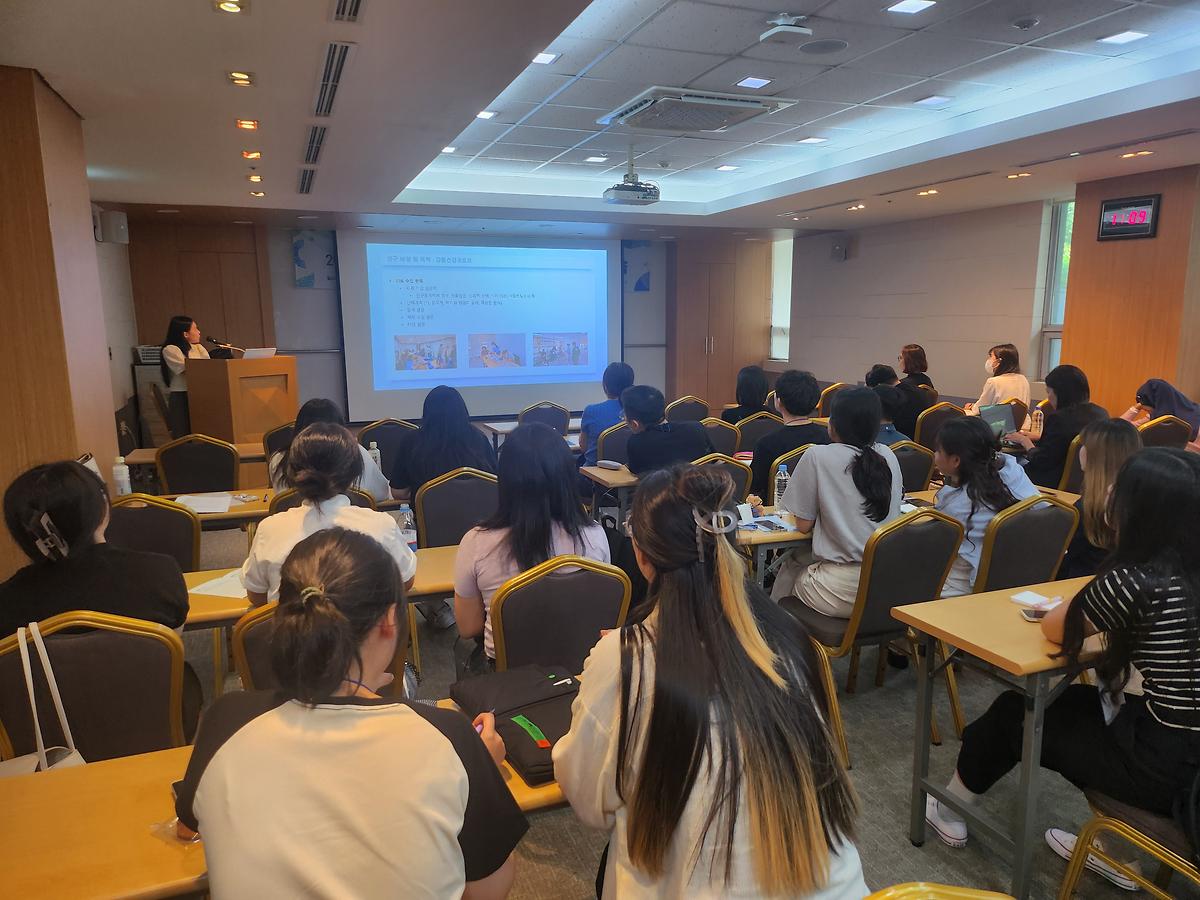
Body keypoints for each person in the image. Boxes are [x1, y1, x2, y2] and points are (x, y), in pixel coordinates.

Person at [553, 465, 866, 899]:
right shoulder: (792, 641)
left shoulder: (624, 660)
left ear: (641, 555)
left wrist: (612, 663)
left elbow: (591, 804)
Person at [177, 527, 527, 899]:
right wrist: (483, 769)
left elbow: (189, 826)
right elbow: (488, 891)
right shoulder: (450, 736)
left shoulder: (225, 721)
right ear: (390, 620)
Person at [926, 449, 1200, 892]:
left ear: (1141, 510)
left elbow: (1057, 628)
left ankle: (947, 806)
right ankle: (1116, 850)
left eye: (1119, 488)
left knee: (1016, 712)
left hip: (1163, 767)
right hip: (1183, 753)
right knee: (1076, 703)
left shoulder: (1136, 580)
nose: (1108, 492)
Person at [454, 423, 610, 676]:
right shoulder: (595, 535)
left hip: (508, 677)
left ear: (505, 480)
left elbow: (468, 627)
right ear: (567, 477)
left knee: (461, 648)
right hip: (582, 671)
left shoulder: (476, 542)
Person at [0, 461, 188, 639]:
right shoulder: (160, 574)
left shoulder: (7, 602)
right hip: (143, 665)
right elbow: (172, 647)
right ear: (101, 509)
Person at [242, 423, 417, 605]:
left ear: (292, 472)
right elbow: (405, 582)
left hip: (292, 624)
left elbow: (257, 596)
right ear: (355, 473)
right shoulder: (381, 525)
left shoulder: (269, 529)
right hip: (363, 623)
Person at [776, 387, 904, 615]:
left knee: (789, 571)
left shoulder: (817, 456)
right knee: (799, 560)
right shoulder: (888, 454)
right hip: (886, 583)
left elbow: (803, 525)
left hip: (840, 588)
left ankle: (773, 629)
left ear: (833, 424)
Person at [933, 418, 1039, 597]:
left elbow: (935, 551)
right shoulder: (1014, 473)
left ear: (956, 460)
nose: (934, 455)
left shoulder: (958, 506)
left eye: (938, 451)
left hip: (958, 588)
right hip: (1013, 581)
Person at [1059, 418, 1141, 580]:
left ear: (1095, 456)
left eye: (1084, 445)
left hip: (1079, 584)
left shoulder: (1086, 509)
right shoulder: (1141, 501)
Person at [268, 398, 392, 502]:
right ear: (340, 428)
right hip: (351, 521)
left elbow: (282, 501)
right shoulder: (358, 453)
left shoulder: (279, 459)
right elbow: (381, 493)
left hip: (295, 523)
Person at [1007, 365, 1108, 488]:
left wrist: (1025, 441)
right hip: (1082, 483)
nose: (1048, 398)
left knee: (1007, 464)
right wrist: (1038, 438)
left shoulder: (1059, 419)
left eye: (1048, 392)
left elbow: (1042, 461)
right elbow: (1063, 444)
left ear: (1060, 393)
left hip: (1049, 481)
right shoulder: (1101, 414)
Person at [390, 385, 497, 498]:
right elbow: (494, 483)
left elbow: (398, 492)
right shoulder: (478, 438)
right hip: (477, 508)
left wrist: (423, 495)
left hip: (430, 509)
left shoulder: (411, 441)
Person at [749, 369, 830, 498]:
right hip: (821, 505)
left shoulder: (766, 444)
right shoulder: (828, 437)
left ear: (778, 401)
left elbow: (756, 489)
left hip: (777, 507)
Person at [623, 385, 713, 476]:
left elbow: (636, 477)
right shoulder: (696, 428)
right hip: (699, 484)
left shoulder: (636, 443)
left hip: (658, 485)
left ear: (635, 424)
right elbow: (716, 461)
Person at [159, 315, 210, 439]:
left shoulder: (199, 347)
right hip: (181, 396)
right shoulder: (170, 349)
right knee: (183, 433)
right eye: (195, 329)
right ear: (185, 334)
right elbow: (186, 369)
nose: (199, 332)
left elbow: (209, 367)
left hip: (200, 394)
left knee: (203, 431)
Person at [579, 362, 635, 467]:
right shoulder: (640, 412)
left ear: (605, 385)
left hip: (595, 473)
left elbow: (584, 447)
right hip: (631, 471)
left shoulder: (591, 411)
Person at [1121, 378, 1200, 444]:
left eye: (1148, 410)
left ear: (1158, 404)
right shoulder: (1157, 418)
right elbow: (1121, 427)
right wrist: (1136, 408)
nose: (1148, 413)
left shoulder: (1163, 420)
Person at [965, 344, 1030, 420]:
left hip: (999, 423)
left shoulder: (993, 382)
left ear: (998, 361)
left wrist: (970, 408)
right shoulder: (1023, 379)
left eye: (990, 356)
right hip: (1022, 423)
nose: (988, 360)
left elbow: (979, 409)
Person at [867, 362, 929, 442]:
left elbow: (887, 424)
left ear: (880, 386)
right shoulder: (919, 391)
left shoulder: (894, 398)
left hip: (901, 439)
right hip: (919, 440)